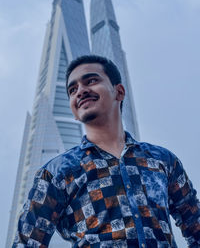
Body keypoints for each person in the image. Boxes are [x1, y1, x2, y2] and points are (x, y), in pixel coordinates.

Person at [13, 55, 200, 248]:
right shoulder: (57, 172)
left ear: (119, 92)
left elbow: (196, 227)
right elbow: (26, 243)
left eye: (91, 81)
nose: (81, 91)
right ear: (74, 111)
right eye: (72, 89)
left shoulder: (162, 160)